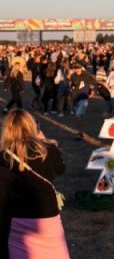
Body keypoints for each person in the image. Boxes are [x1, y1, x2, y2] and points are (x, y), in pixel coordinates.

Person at [0, 110, 69, 258]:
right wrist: (43, 140)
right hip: (48, 215)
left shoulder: (4, 155)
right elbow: (60, 169)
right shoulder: (48, 150)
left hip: (17, 217)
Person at [69, 63, 96, 139]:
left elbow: (94, 82)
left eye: (78, 68)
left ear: (81, 68)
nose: (77, 69)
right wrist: (71, 89)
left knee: (78, 115)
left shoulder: (86, 75)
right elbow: (72, 84)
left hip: (83, 97)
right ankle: (81, 132)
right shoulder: (73, 75)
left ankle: (80, 133)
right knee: (80, 116)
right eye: (75, 68)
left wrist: (92, 91)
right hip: (75, 97)